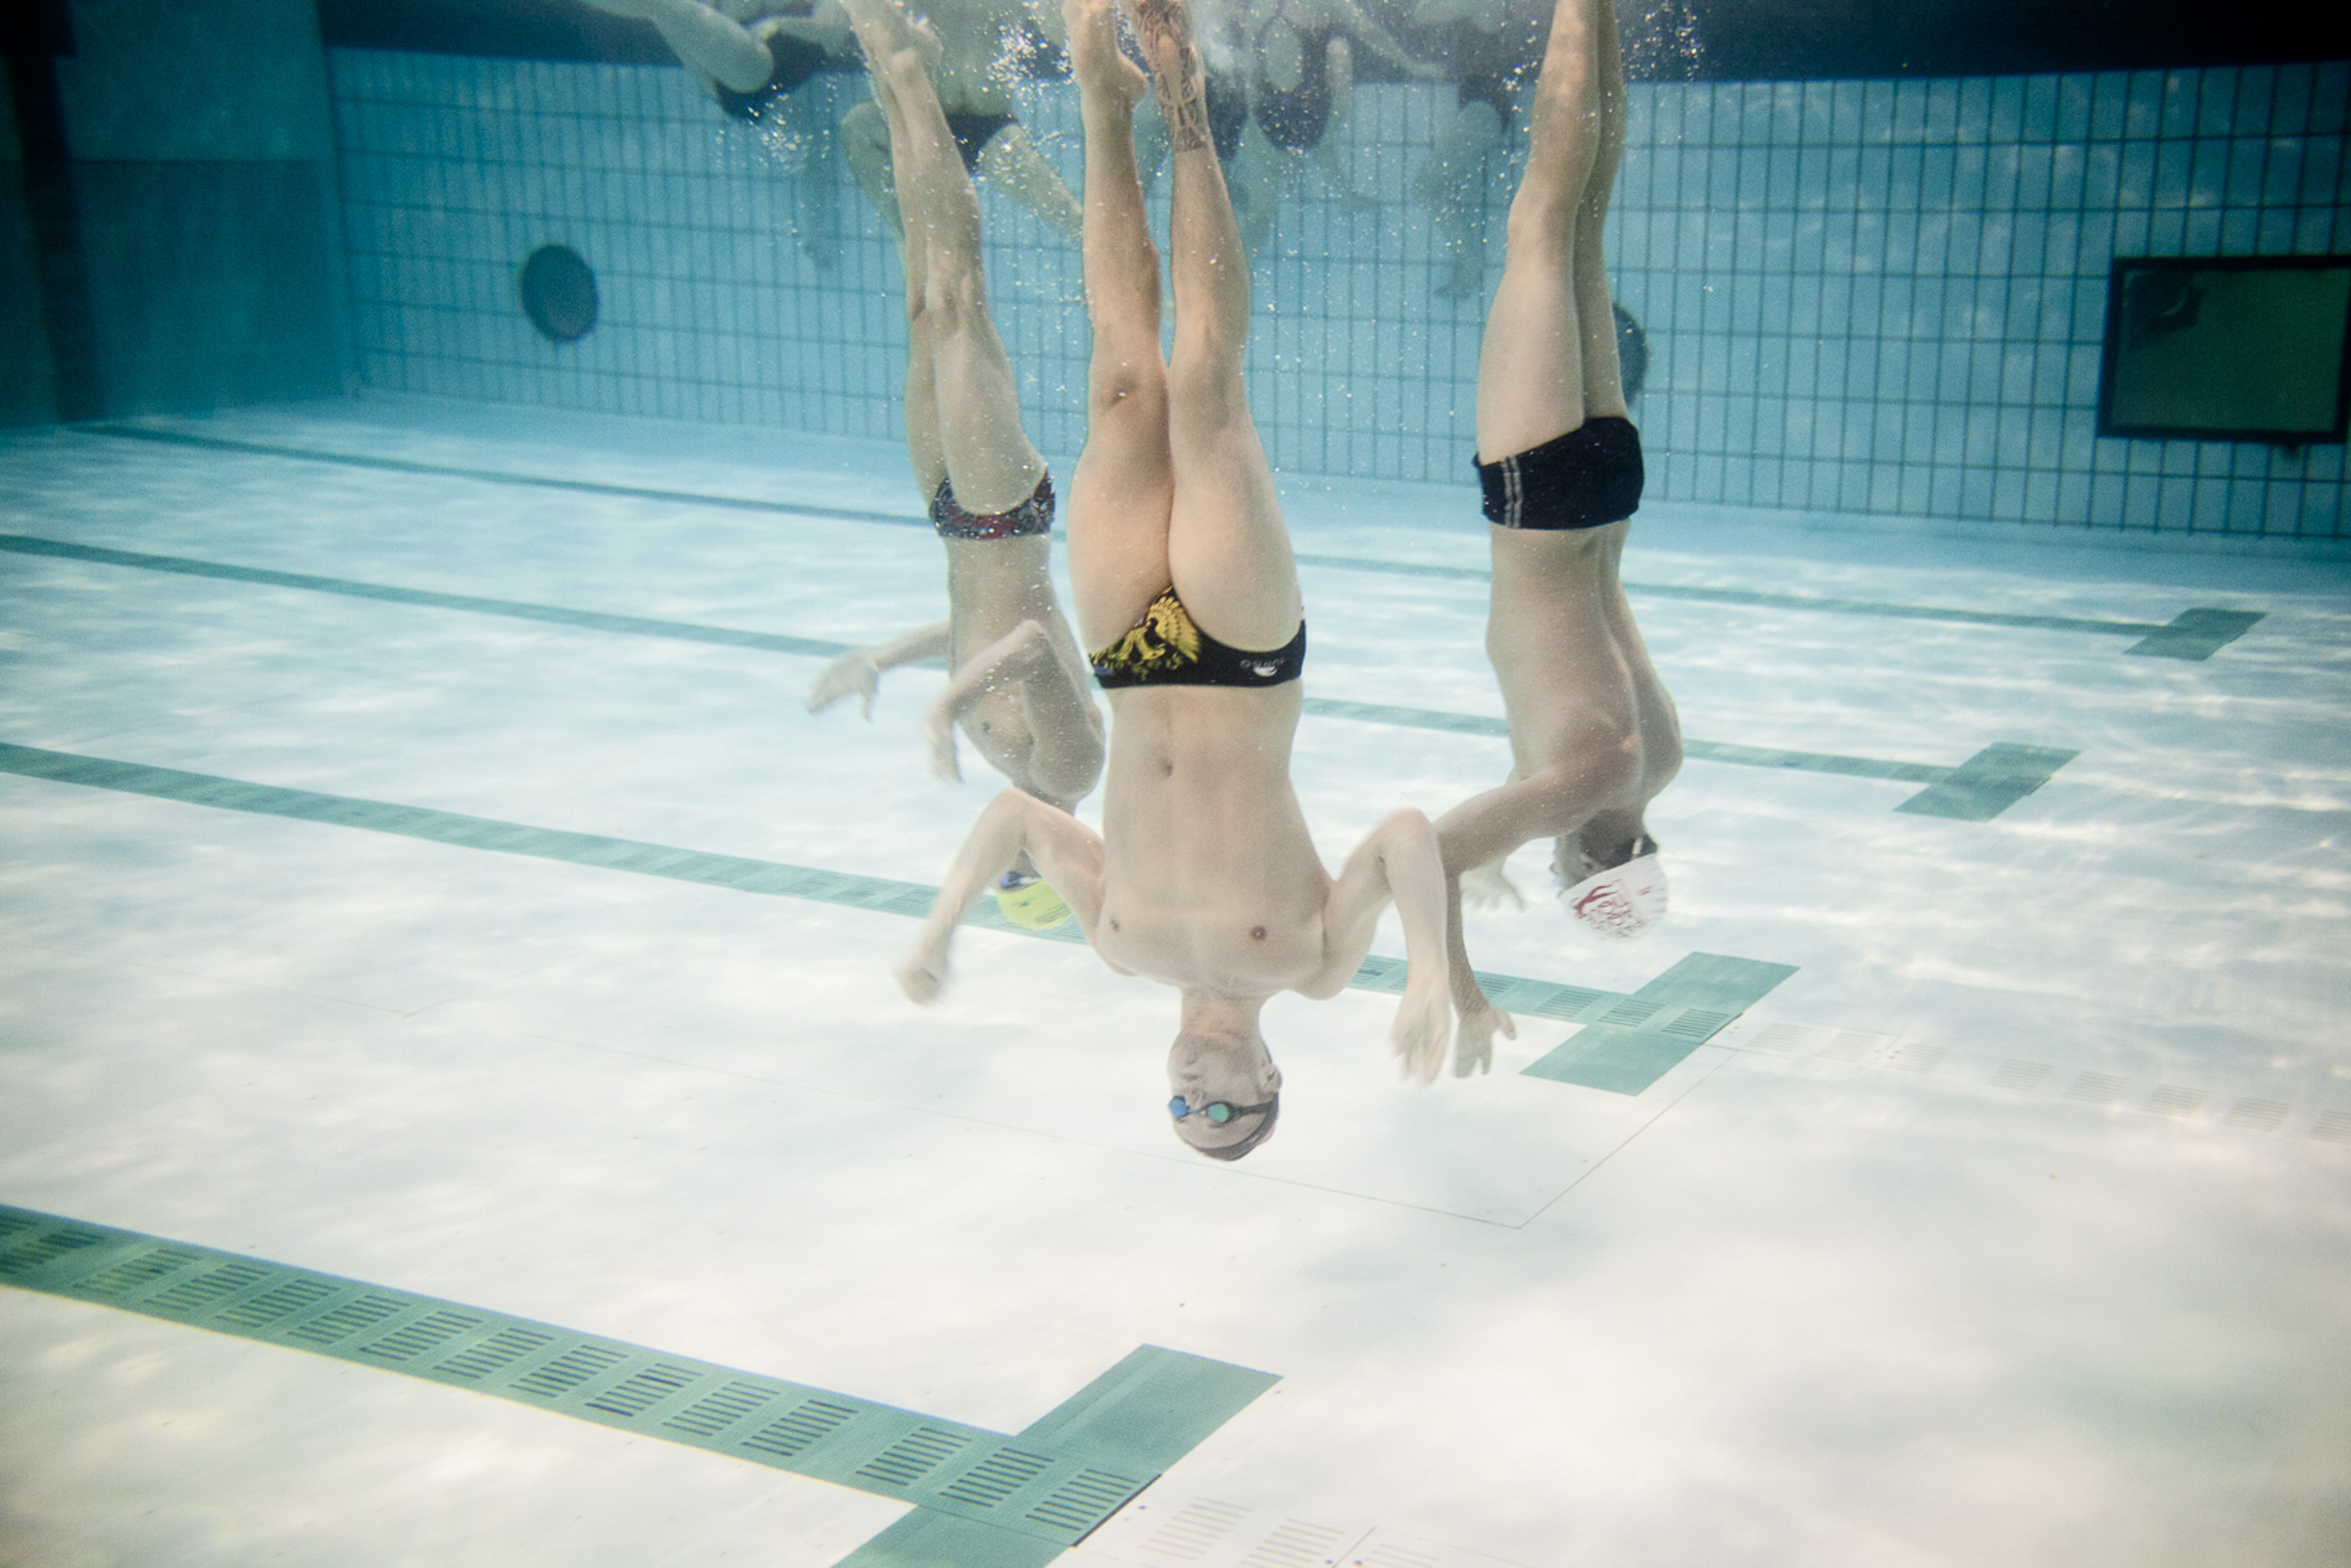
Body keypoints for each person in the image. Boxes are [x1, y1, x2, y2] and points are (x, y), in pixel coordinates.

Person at [895, 0, 1453, 1159]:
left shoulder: (1115, 943)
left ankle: (1106, 105)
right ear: (1270, 1078)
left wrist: (942, 926)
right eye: (1225, 1109)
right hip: (1246, 660)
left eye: (1180, 1112)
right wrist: (1428, 983)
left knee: (1118, 379)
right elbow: (1403, 834)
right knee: (1201, 383)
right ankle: (1187, 108)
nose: (1195, 1090)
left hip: (1126, 651)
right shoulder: (1313, 965)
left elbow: (1014, 812)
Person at [807, 0, 1106, 918]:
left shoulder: (995, 761)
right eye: (1029, 870)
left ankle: (897, 84)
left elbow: (971, 636)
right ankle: (906, 75)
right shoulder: (1072, 763)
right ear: (1069, 859)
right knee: (960, 295)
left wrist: (884, 658)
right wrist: (939, 707)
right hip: (1004, 512)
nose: (1012, 856)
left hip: (948, 514)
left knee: (920, 302)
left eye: (1005, 874)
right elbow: (1019, 647)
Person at [1435, 0, 1682, 1075]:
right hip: (1538, 499)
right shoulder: (1577, 789)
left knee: (1584, 219)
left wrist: (1525, 808)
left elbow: (1565, 698)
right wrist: (1459, 992)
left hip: (1612, 489)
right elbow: (1430, 854)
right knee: (1538, 216)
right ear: (1586, 860)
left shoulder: (1652, 763)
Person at [833, 0, 1090, 245]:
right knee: (858, 127)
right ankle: (913, 241)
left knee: (1072, 219)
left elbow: (1063, 36)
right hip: (921, 122)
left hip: (992, 130)